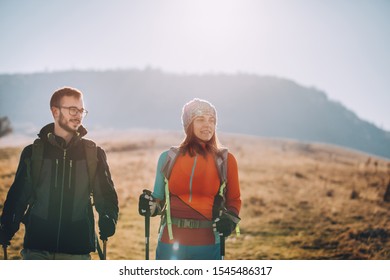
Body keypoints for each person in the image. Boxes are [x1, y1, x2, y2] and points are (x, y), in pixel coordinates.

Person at [0, 87, 119, 260]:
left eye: (81, 110)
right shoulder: (34, 152)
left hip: (77, 251)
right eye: (72, 109)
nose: (78, 115)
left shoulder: (93, 153)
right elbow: (19, 196)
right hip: (37, 250)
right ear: (55, 111)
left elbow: (106, 195)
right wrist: (6, 227)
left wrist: (108, 218)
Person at [139, 98, 241, 260]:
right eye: (200, 120)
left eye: (212, 120)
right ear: (188, 124)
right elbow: (158, 202)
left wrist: (231, 219)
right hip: (169, 245)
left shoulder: (226, 160)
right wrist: (149, 205)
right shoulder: (168, 158)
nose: (208, 125)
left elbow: (234, 199)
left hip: (208, 245)